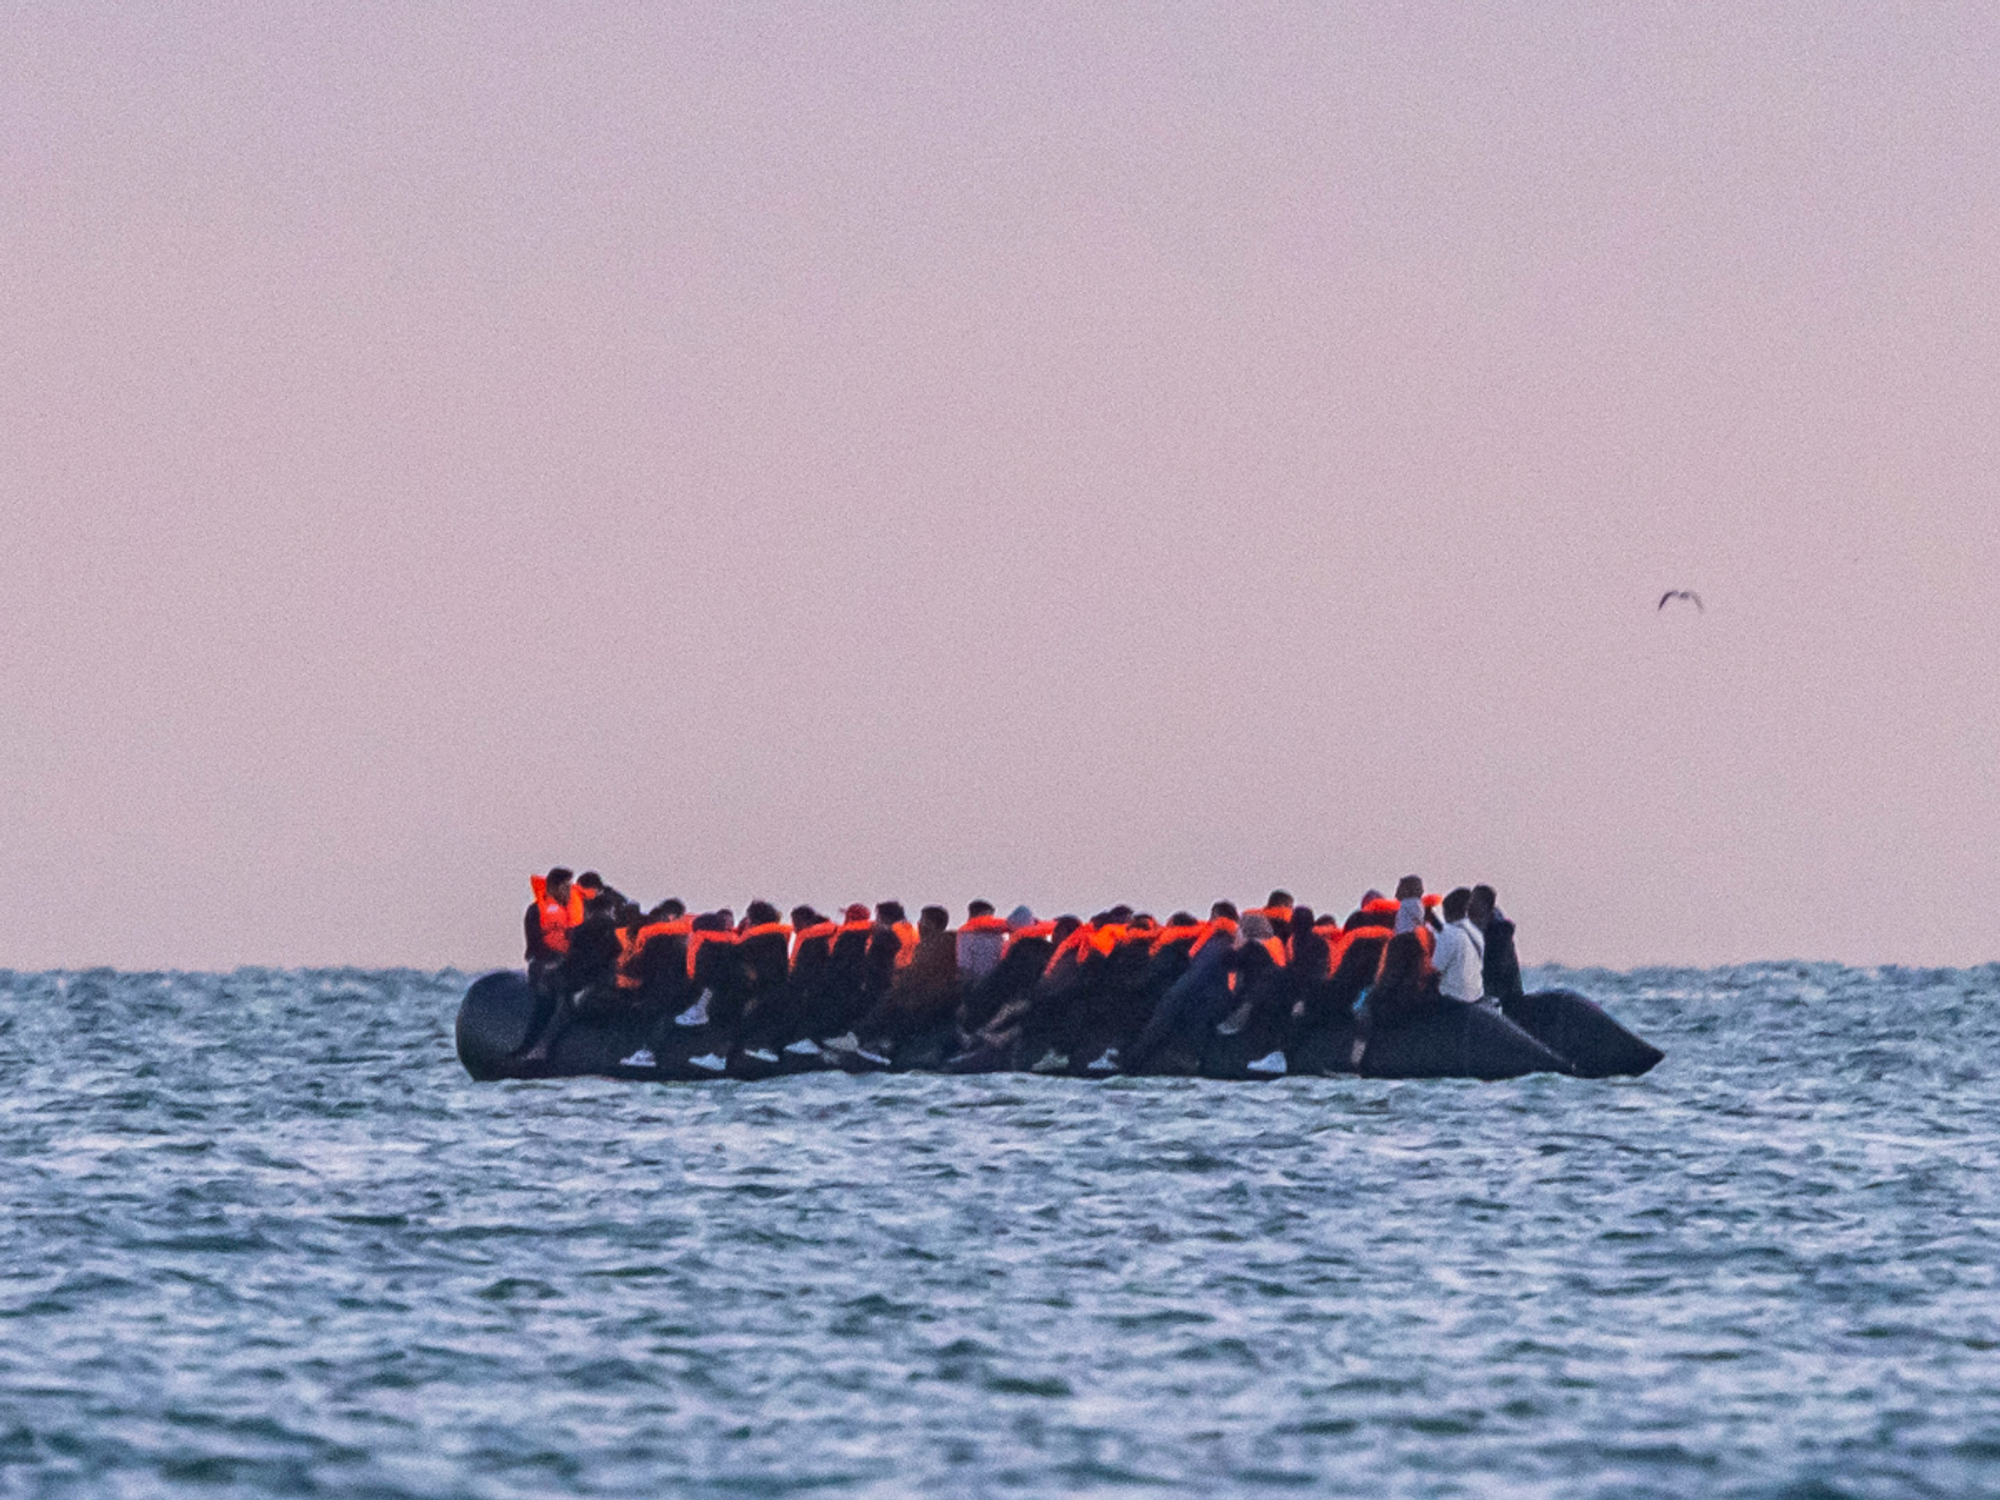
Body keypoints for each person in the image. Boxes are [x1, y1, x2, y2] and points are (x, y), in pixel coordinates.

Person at [1430, 887, 1486, 1003]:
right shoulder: (1476, 933)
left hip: (1452, 1000)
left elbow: (1435, 968)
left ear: (1447, 910)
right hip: (1475, 998)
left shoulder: (1449, 933)